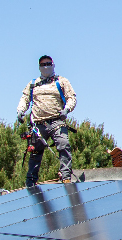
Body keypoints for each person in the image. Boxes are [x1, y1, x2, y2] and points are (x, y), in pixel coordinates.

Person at [17, 55, 77, 186]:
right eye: (43, 64)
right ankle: (31, 182)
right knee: (34, 152)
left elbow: (71, 97)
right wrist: (20, 111)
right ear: (39, 67)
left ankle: (66, 177)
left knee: (63, 144)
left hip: (57, 121)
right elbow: (25, 98)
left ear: (53, 64)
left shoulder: (61, 81)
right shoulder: (33, 84)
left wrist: (67, 109)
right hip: (38, 124)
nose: (46, 66)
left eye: (48, 64)